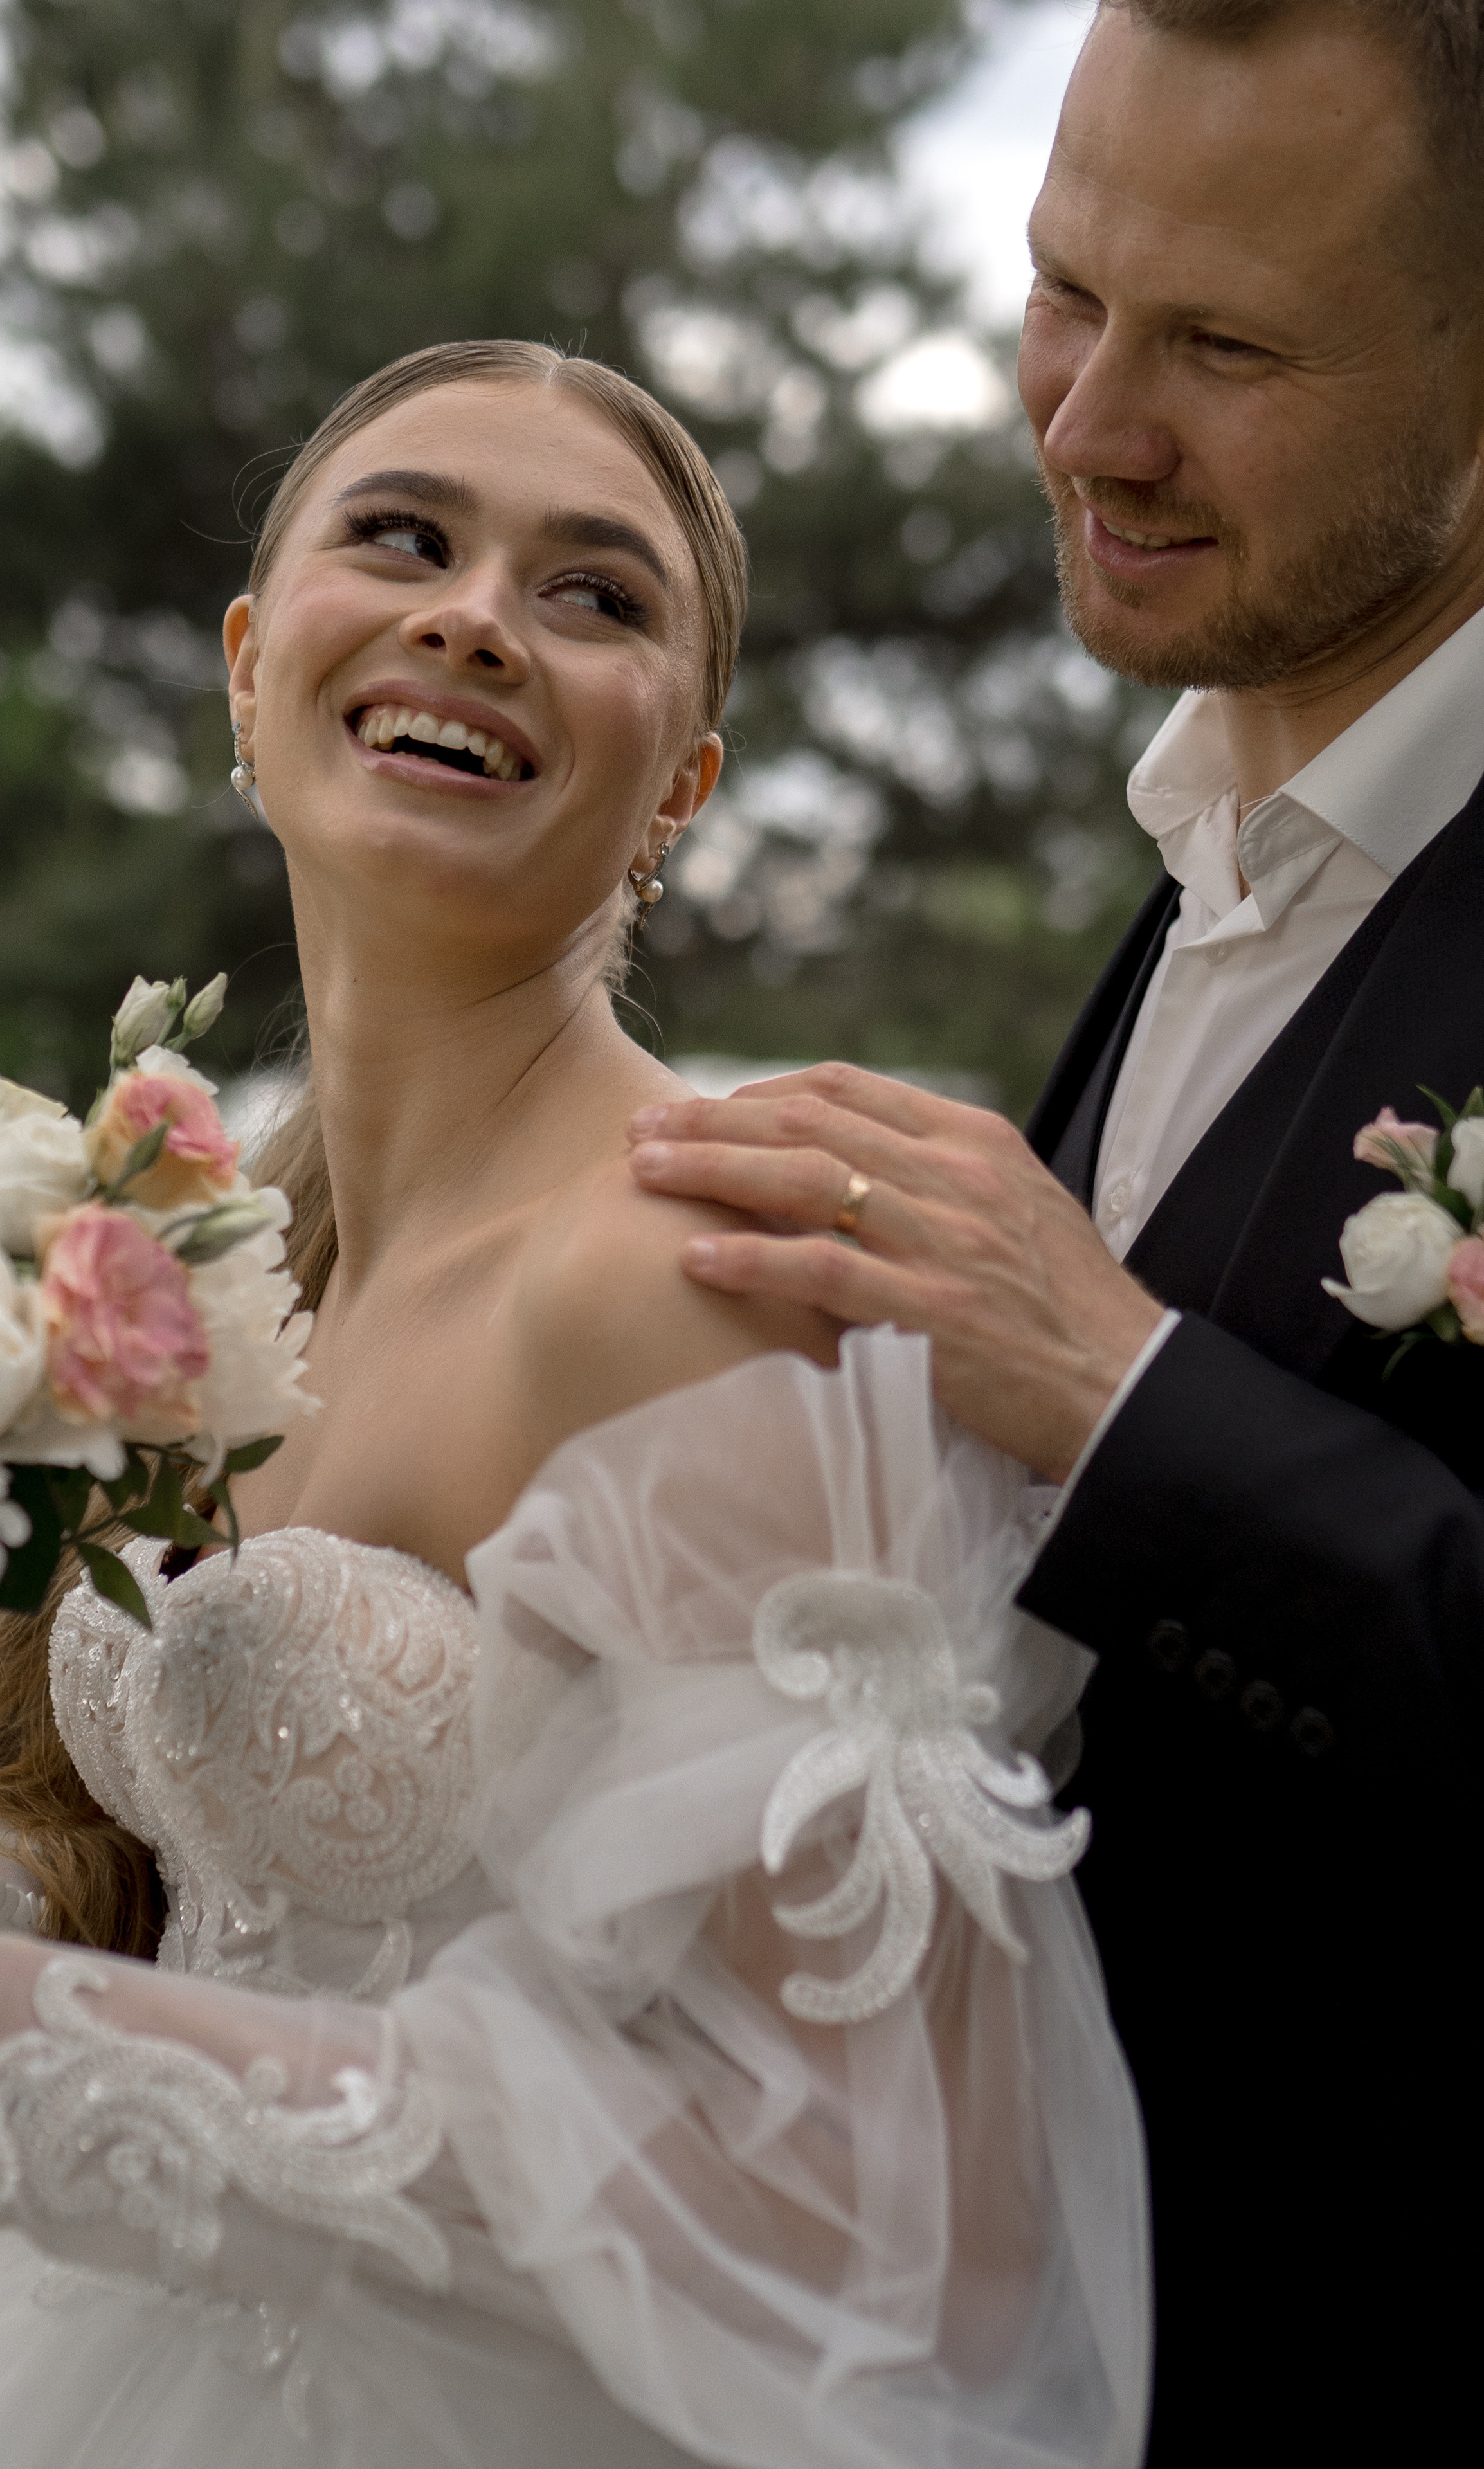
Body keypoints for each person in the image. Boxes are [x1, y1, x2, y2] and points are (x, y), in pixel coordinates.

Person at [0, 341, 1150, 2469]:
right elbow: (272, 1935)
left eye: (593, 595)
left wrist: (23, 2054)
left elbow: (902, 2226)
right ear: (249, 669)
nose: (473, 618)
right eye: (404, 539)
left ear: (682, 786)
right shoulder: (212, 1278)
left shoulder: (687, 1284)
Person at [623, 5, 1484, 2462]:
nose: (1090, 424)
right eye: (1063, 291)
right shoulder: (1218, 854)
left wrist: (1123, 1399)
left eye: (1225, 347)